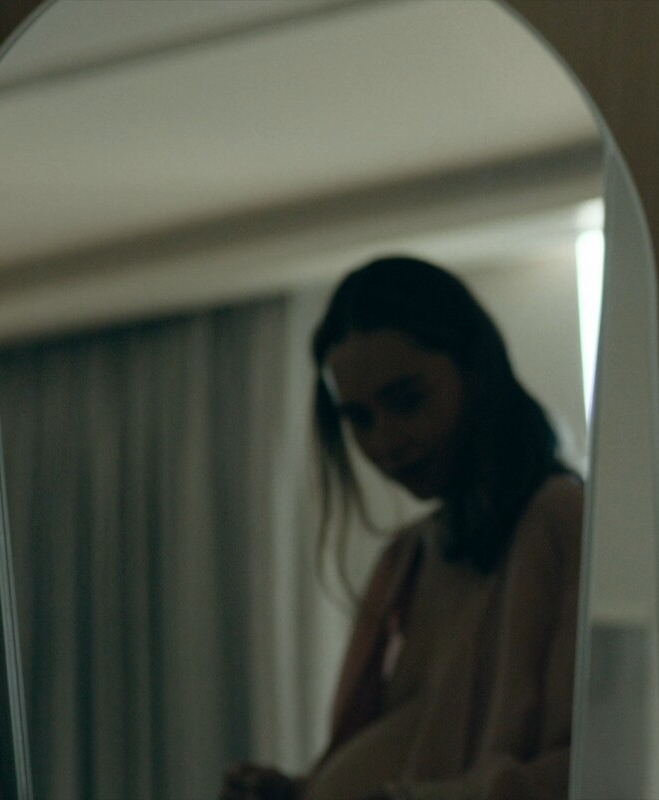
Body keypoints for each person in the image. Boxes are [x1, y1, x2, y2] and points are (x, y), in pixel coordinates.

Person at [220, 256, 582, 800]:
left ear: (475, 371)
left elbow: (597, 761)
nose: (384, 442)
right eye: (359, 418)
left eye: (408, 401)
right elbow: (416, 742)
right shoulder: (409, 556)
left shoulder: (556, 519)